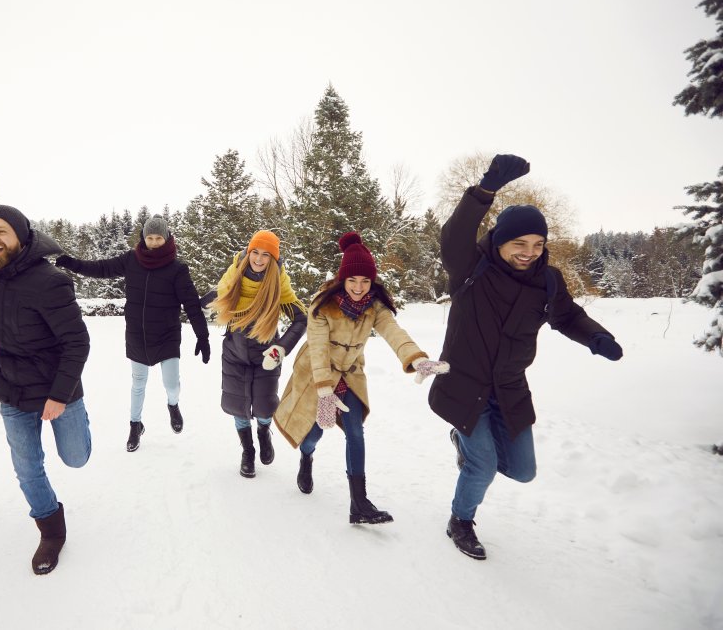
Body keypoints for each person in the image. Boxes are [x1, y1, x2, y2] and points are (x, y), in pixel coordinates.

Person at [430, 154, 623, 560]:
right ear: (499, 241)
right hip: (465, 384)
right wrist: (484, 191)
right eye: (520, 244)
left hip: (510, 387)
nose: (529, 252)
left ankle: (465, 449)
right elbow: (453, 236)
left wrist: (596, 337)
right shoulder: (471, 269)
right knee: (482, 467)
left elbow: (567, 315)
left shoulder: (547, 281)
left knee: (522, 470)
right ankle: (460, 521)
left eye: (537, 245)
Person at [0, 205, 92, 576]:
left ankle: (79, 423)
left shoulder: (50, 280)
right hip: (12, 390)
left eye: (1, 232)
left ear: (21, 237)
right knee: (27, 468)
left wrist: (58, 397)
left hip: (58, 391)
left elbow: (78, 342)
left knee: (76, 458)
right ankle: (51, 531)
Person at [275, 232, 449, 524]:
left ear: (372, 282)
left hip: (350, 374)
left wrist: (415, 358)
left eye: (365, 281)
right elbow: (317, 349)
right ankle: (306, 457)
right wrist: (324, 390)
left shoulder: (374, 306)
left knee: (355, 431)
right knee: (316, 431)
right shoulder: (322, 305)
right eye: (353, 280)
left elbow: (395, 333)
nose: (358, 287)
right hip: (320, 377)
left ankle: (359, 504)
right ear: (342, 279)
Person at [55, 215, 210, 452]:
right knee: (138, 383)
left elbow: (190, 303)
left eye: (159, 237)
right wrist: (73, 263)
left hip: (167, 334)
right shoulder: (132, 260)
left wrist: (203, 336)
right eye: (150, 237)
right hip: (137, 334)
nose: (154, 242)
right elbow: (102, 268)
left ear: (166, 238)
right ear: (143, 237)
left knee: (171, 383)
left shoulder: (177, 269)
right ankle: (135, 425)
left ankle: (173, 404)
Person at [202, 230, 307, 478]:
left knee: (263, 406)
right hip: (234, 352)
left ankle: (263, 432)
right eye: (255, 253)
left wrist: (281, 348)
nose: (259, 259)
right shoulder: (233, 277)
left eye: (265, 255)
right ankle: (247, 451)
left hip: (265, 356)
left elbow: (301, 318)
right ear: (248, 253)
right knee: (238, 406)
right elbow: (206, 301)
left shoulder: (278, 283)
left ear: (273, 259)